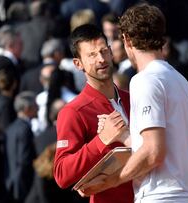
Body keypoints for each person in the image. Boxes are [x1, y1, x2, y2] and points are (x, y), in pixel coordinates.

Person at [79, 4, 188, 203]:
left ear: (126, 40)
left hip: (160, 196)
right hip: (186, 195)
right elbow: (171, 146)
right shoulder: (182, 82)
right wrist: (125, 135)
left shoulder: (144, 80)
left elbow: (153, 152)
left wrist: (110, 181)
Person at [53, 24, 133, 203]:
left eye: (104, 51)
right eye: (92, 55)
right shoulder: (73, 112)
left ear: (111, 52)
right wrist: (101, 141)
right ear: (78, 63)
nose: (101, 59)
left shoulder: (135, 99)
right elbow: (61, 174)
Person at [4, 91, 38, 203]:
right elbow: (25, 159)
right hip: (23, 183)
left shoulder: (11, 128)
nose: (37, 108)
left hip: (10, 181)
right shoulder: (25, 129)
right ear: (27, 109)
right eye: (35, 106)